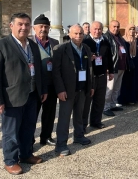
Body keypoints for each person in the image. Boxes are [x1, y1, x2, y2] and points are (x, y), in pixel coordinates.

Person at [0, 13, 47, 175]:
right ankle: (10, 160)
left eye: (27, 24)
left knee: (28, 128)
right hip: (11, 98)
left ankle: (26, 154)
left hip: (32, 95)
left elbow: (39, 71)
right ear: (11, 26)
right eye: (20, 24)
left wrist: (42, 91)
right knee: (11, 132)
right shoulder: (0, 46)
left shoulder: (33, 45)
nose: (24, 27)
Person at [52, 25, 93, 156]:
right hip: (67, 90)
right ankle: (61, 144)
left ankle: (79, 136)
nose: (78, 36)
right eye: (75, 33)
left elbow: (89, 70)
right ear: (69, 34)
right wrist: (60, 90)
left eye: (81, 33)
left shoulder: (86, 48)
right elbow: (56, 72)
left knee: (79, 114)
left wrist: (90, 86)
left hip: (82, 88)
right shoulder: (61, 49)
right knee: (64, 118)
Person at [30, 14, 60, 147]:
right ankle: (29, 139)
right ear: (34, 28)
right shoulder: (29, 43)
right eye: (41, 26)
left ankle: (46, 136)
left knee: (49, 113)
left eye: (46, 26)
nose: (43, 29)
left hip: (51, 84)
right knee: (32, 114)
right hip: (35, 85)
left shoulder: (55, 43)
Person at [82, 21, 114, 131]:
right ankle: (82, 125)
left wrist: (111, 71)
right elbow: (80, 58)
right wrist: (88, 58)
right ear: (90, 29)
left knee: (99, 100)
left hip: (102, 75)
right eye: (95, 29)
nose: (97, 31)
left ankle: (96, 121)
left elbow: (109, 58)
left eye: (99, 29)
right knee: (87, 102)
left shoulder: (105, 42)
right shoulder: (85, 42)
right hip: (90, 76)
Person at [103, 20, 128, 117]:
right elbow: (105, 54)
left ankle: (113, 104)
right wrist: (107, 67)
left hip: (121, 66)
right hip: (112, 67)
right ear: (109, 26)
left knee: (117, 88)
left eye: (117, 26)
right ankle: (105, 107)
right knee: (110, 88)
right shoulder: (106, 37)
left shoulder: (119, 37)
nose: (116, 28)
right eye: (114, 26)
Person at [120, 24, 138, 103]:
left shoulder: (136, 40)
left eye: (133, 29)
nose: (132, 31)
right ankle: (126, 99)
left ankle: (134, 97)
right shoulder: (123, 40)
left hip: (136, 62)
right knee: (127, 81)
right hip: (127, 63)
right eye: (130, 29)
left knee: (135, 80)